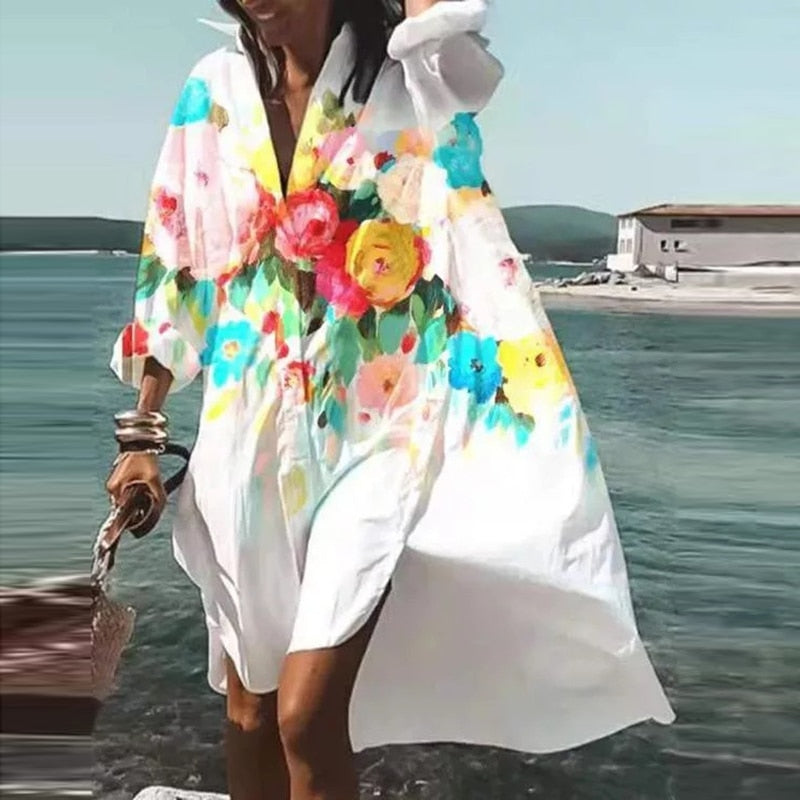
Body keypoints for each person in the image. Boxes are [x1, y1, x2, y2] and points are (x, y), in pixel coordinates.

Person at [106, 1, 675, 797]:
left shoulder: (413, 79)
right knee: (249, 710)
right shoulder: (214, 90)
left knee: (305, 715)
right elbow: (175, 265)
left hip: (379, 436)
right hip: (246, 439)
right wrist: (142, 435)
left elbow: (469, 73)